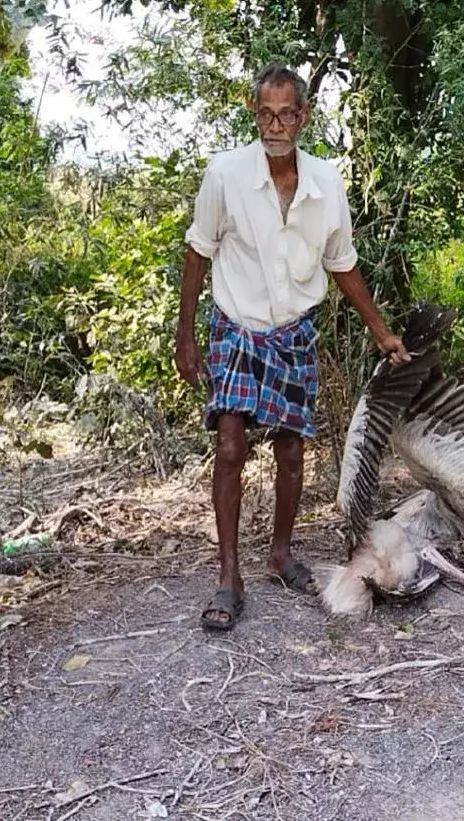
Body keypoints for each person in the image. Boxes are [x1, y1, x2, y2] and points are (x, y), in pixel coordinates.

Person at [174, 61, 410, 631]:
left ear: (303, 117)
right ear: (255, 115)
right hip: (236, 323)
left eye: (286, 114)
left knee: (290, 451)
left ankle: (280, 555)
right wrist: (185, 335)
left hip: (293, 331)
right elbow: (198, 252)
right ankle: (230, 576)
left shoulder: (326, 183)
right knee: (230, 446)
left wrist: (381, 332)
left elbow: (343, 264)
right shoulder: (226, 174)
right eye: (265, 114)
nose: (274, 124)